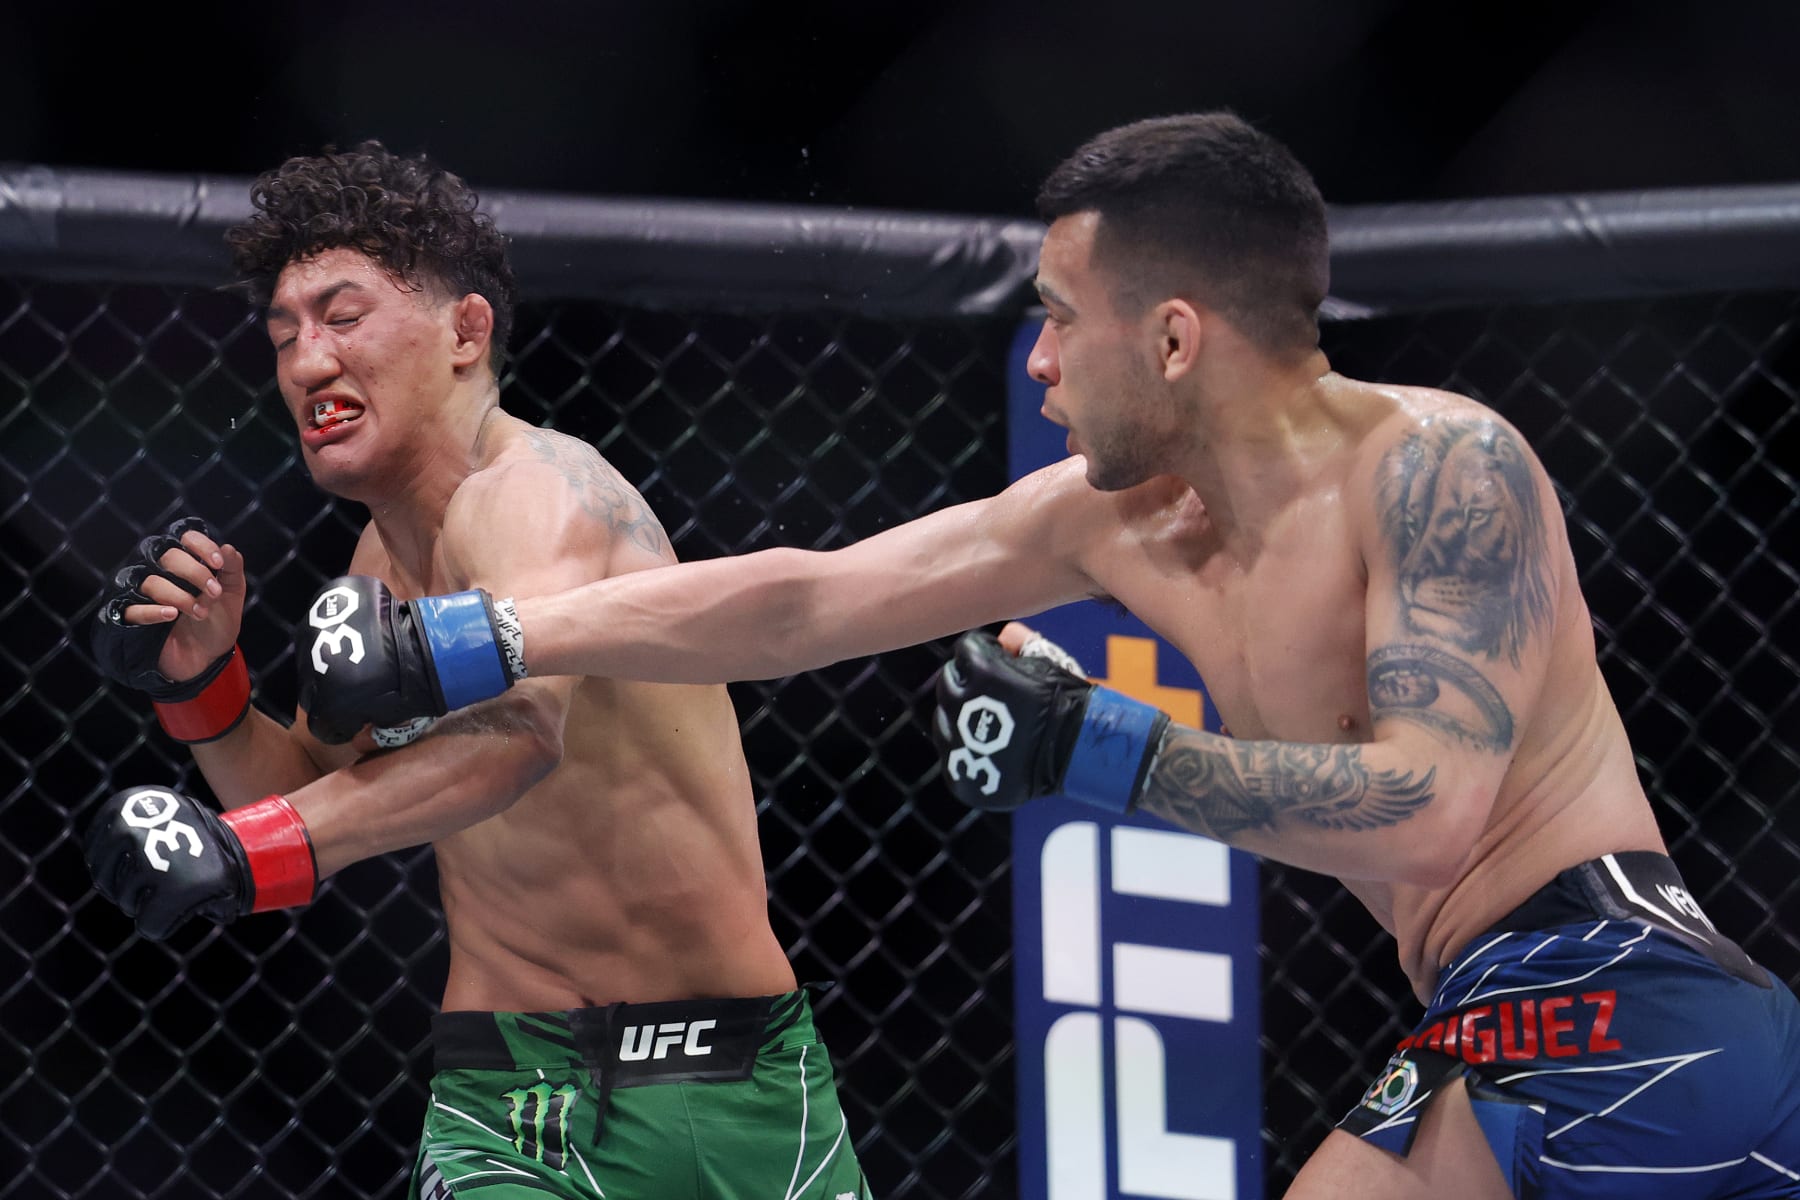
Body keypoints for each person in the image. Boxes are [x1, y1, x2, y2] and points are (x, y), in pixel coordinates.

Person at [291, 113, 1800, 1198]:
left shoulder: (1441, 466)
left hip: (1615, 996)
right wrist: (474, 641)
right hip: (1498, 1010)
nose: (1035, 360)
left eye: (1060, 320)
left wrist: (1102, 749)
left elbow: (1436, 805)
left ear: (1173, 338)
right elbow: (805, 604)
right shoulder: (1111, 523)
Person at [81, 141, 873, 1200]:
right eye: (285, 335)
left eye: (343, 316)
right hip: (509, 1100)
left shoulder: (538, 492)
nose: (308, 363)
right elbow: (308, 801)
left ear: (466, 331)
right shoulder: (377, 564)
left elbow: (514, 743)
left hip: (741, 1089)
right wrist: (204, 688)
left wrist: (248, 849)